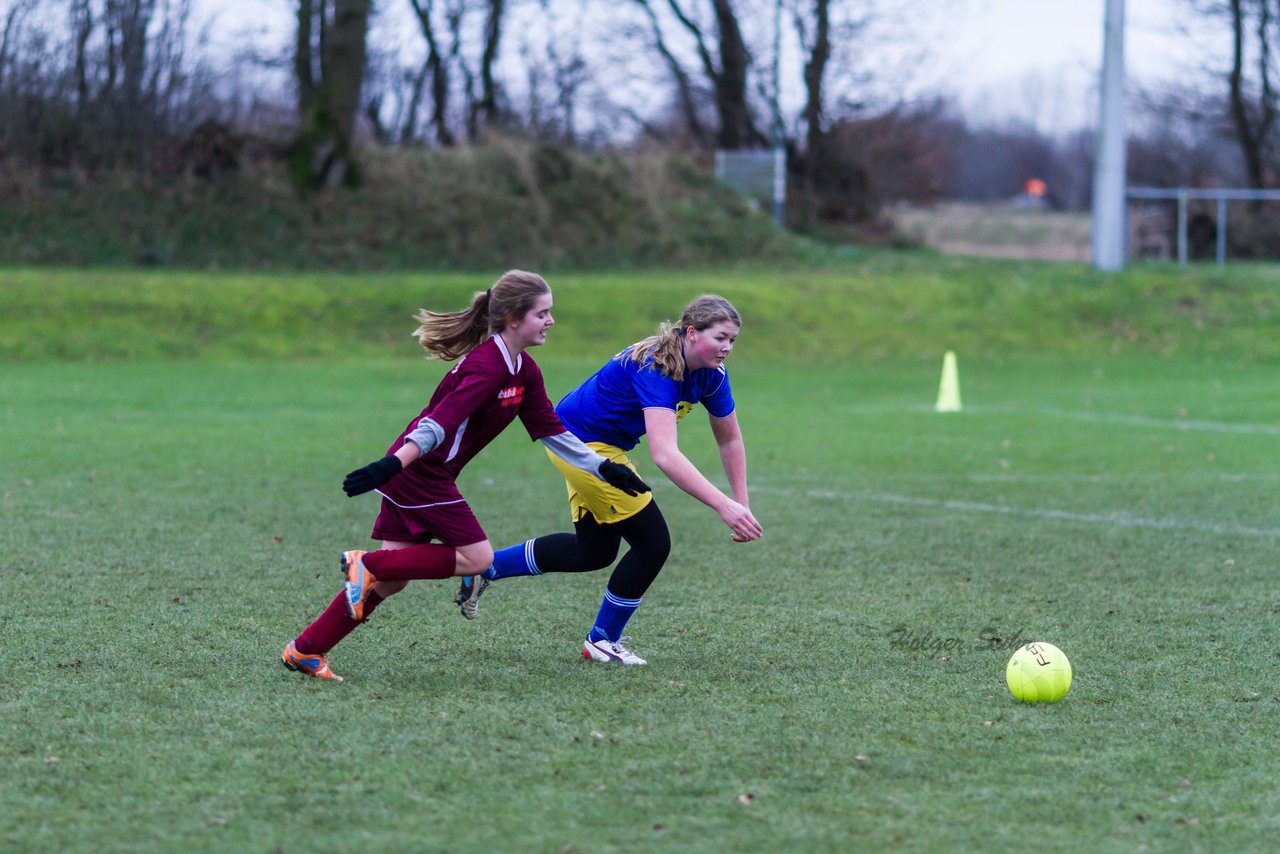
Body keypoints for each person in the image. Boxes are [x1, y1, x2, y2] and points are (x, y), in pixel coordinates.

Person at [280, 270, 648, 681]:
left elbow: (551, 431)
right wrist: (394, 464)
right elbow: (439, 423)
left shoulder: (523, 370)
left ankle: (306, 649)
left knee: (391, 580)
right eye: (542, 313)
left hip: (417, 471)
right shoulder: (487, 368)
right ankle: (366, 563)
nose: (551, 321)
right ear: (512, 318)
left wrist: (603, 467)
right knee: (477, 558)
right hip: (421, 472)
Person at [456, 294, 763, 665]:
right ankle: (602, 641)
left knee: (594, 551)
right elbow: (665, 454)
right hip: (582, 445)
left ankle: (487, 566)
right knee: (653, 543)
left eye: (733, 340)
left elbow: (729, 438)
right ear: (692, 332)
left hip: (593, 445)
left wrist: (741, 502)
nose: (727, 347)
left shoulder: (712, 375)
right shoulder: (658, 368)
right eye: (720, 338)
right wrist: (722, 505)